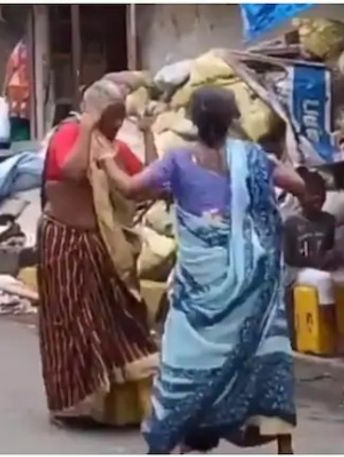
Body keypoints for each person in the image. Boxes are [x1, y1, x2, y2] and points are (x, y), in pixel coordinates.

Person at [98, 87, 306, 454]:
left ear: (193, 121)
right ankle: (283, 446)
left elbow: (130, 189)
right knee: (262, 350)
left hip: (199, 289)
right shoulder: (252, 158)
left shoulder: (178, 161)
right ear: (232, 121)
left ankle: (179, 437)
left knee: (185, 361)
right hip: (250, 284)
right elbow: (298, 185)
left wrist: (106, 160)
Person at [37, 78, 159, 429]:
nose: (119, 124)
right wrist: (87, 128)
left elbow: (148, 182)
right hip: (65, 243)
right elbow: (72, 170)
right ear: (92, 113)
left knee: (118, 323)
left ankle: (116, 409)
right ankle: (72, 405)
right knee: (71, 325)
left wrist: (148, 133)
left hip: (103, 247)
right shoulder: (70, 133)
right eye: (112, 116)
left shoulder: (111, 148)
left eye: (122, 117)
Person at [284, 169, 342, 347]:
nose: (318, 197)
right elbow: (288, 261)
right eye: (312, 193)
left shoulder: (329, 221)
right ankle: (329, 333)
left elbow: (330, 252)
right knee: (324, 280)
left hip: (322, 267)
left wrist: (332, 257)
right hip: (296, 271)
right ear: (300, 196)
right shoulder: (291, 224)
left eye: (321, 192)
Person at [2, 40, 30, 119]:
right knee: (23, 112)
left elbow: (10, 68)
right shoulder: (25, 47)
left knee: (15, 112)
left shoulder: (19, 48)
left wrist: (4, 89)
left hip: (16, 83)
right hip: (25, 84)